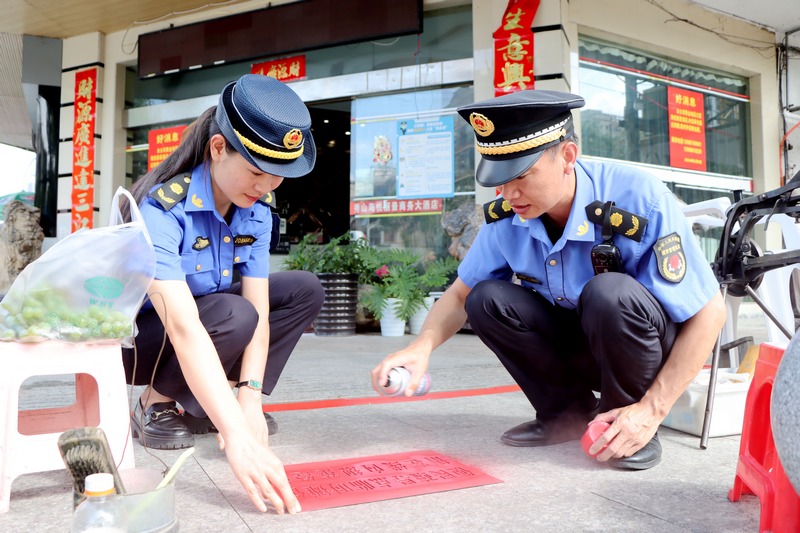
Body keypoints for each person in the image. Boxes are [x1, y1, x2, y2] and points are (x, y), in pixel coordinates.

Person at [371, 89, 726, 471]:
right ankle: (566, 416)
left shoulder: (638, 197)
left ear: (568, 157)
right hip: (586, 346)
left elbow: (710, 314)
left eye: (521, 176)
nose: (510, 194)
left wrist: (653, 409)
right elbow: (459, 297)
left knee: (609, 292)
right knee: (486, 299)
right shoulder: (508, 215)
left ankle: (625, 422)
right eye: (500, 180)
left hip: (644, 351)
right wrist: (421, 348)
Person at [123, 74, 324, 513]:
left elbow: (261, 309)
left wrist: (249, 398)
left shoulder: (255, 211)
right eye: (255, 171)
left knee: (301, 289)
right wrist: (236, 437)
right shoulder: (161, 208)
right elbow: (182, 323)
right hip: (141, 339)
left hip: (207, 319)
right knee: (233, 313)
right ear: (218, 148)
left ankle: (216, 402)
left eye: (277, 178)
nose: (265, 187)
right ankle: (153, 403)